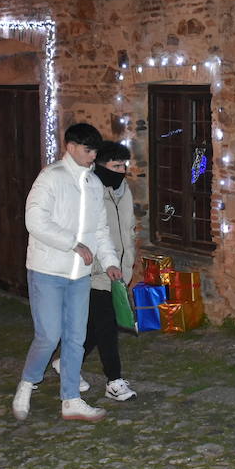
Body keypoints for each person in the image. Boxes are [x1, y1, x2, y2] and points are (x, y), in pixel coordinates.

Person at [13, 123, 121, 423]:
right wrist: (72, 243)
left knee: (75, 337)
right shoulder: (51, 178)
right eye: (88, 150)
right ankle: (27, 383)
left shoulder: (94, 185)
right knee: (49, 335)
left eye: (95, 151)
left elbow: (100, 230)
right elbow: (35, 220)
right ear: (71, 147)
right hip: (47, 269)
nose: (92, 156)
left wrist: (110, 261)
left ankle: (71, 398)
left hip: (79, 275)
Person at [85, 141, 137, 402]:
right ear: (100, 166)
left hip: (120, 271)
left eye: (124, 165)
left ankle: (67, 364)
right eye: (116, 165)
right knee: (107, 328)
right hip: (97, 273)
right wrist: (98, 265)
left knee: (96, 327)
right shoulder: (89, 193)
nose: (122, 170)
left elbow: (128, 229)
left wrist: (127, 263)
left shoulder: (123, 191)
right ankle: (114, 381)